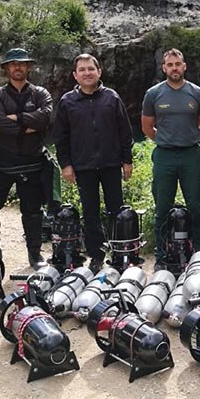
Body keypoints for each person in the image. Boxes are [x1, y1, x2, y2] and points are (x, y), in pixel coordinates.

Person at [52, 54, 134, 272]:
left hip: (111, 163)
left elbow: (125, 132)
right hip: (83, 165)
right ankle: (96, 254)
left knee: (115, 210)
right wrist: (66, 165)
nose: (87, 73)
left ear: (99, 72)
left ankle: (119, 253)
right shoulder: (67, 101)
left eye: (91, 69)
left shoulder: (112, 98)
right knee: (90, 212)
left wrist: (127, 160)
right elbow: (60, 137)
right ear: (75, 75)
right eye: (82, 70)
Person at [0, 48, 54, 269]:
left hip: (33, 161)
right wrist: (28, 126)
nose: (17, 67)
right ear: (6, 68)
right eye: (13, 64)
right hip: (3, 162)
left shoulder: (41, 93)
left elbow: (45, 118)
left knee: (33, 211)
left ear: (28, 67)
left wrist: (17, 118)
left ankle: (35, 254)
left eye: (22, 63)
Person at [141, 49, 200, 268]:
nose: (174, 68)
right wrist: (166, 140)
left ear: (184, 66)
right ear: (164, 68)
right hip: (165, 156)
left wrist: (186, 139)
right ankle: (162, 256)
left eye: (177, 64)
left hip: (190, 155)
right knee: (162, 208)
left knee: (196, 207)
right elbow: (147, 126)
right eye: (170, 65)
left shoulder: (197, 93)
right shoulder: (153, 94)